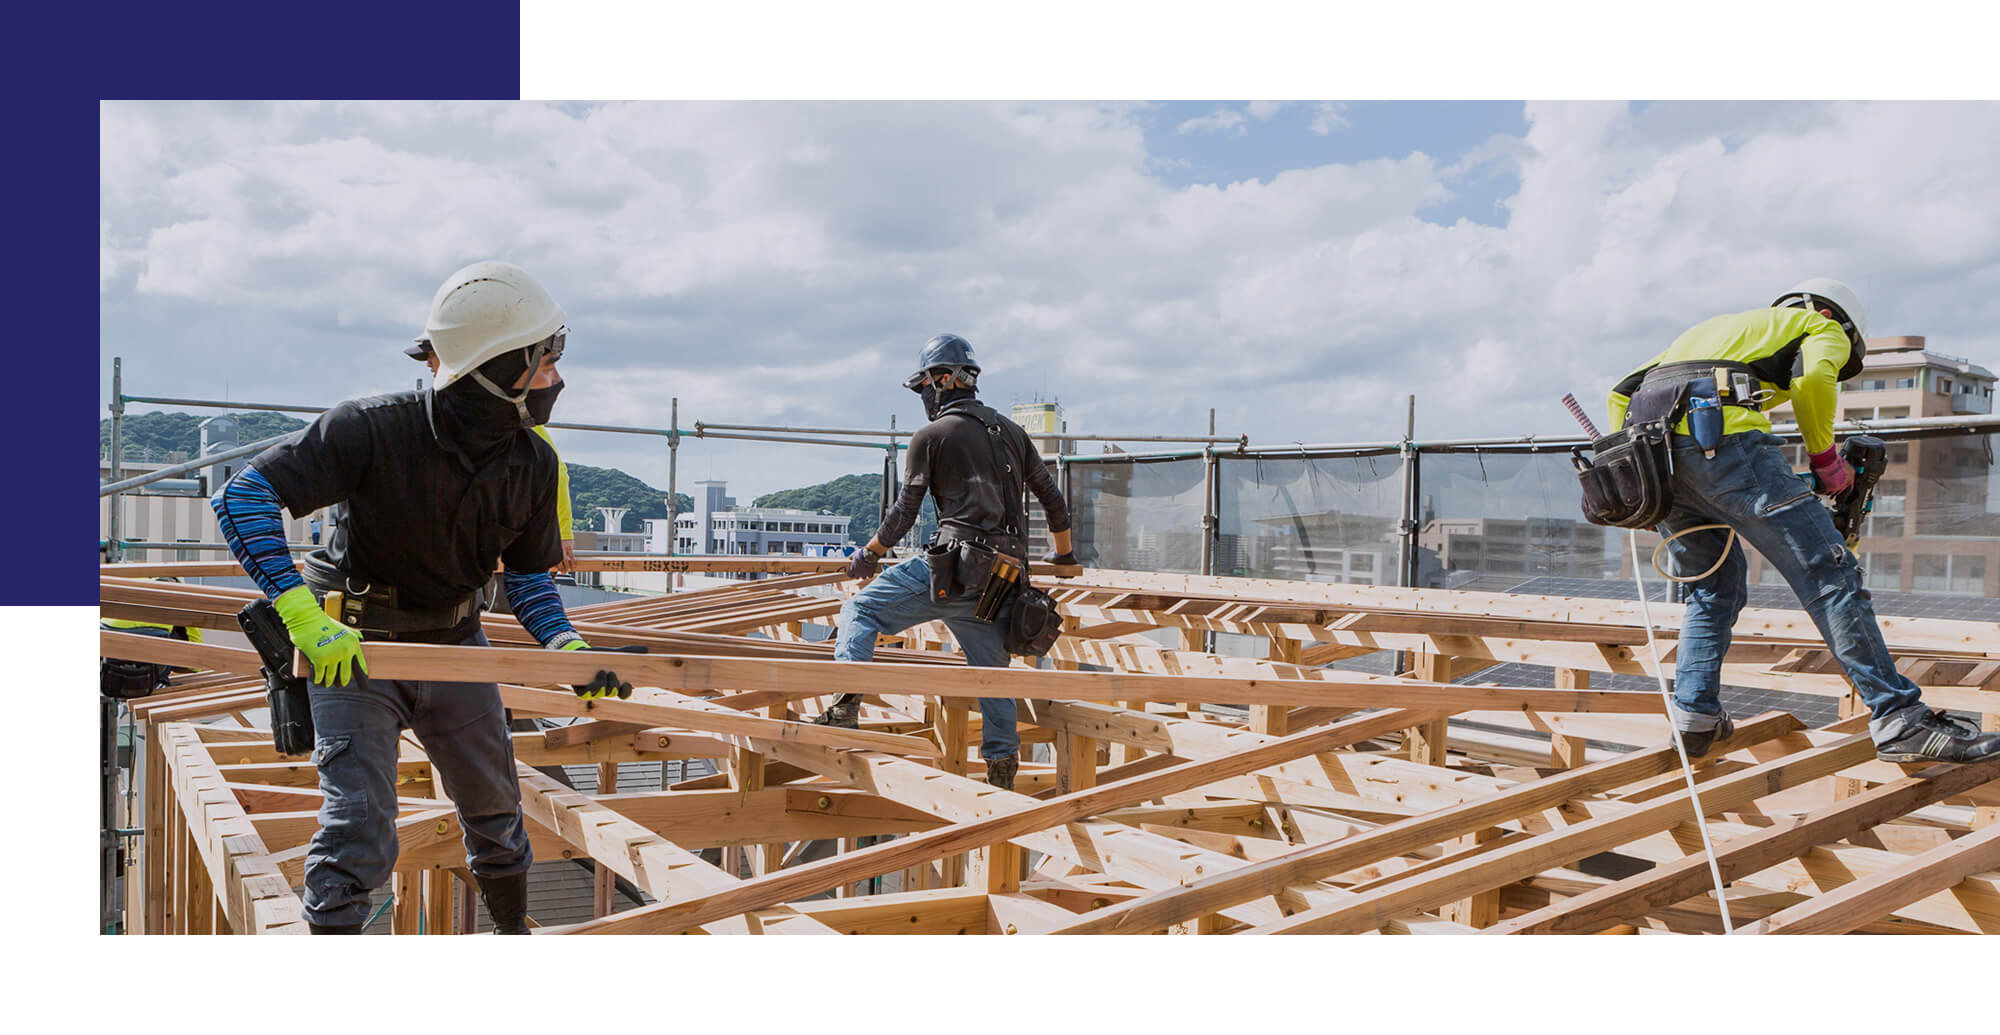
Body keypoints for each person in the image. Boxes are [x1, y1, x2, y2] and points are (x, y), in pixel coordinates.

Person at [211, 261, 641, 934]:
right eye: (545, 362)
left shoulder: (533, 464)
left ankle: (511, 934)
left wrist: (569, 648)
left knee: (498, 811)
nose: (557, 378)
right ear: (499, 371)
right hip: (351, 646)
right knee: (358, 826)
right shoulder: (374, 429)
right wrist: (300, 616)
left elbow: (528, 583)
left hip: (452, 644)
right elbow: (243, 495)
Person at [1607, 277, 1999, 763]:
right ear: (1837, 320)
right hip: (1727, 445)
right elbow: (1811, 381)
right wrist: (1825, 460)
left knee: (1714, 588)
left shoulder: (1713, 331)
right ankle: (1900, 719)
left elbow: (1619, 395)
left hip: (1659, 464)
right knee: (1831, 575)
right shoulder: (1819, 325)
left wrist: (1640, 485)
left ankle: (1694, 718)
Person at [809, 334, 1077, 790]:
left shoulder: (931, 437)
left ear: (945, 379)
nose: (925, 397)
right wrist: (1064, 555)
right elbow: (1053, 501)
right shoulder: (1013, 434)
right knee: (992, 676)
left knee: (861, 610)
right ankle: (1001, 766)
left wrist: (870, 554)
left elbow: (903, 512)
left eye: (925, 387)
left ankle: (843, 705)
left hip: (954, 569)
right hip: (1001, 582)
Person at [408, 337, 574, 575]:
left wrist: (562, 535)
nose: (428, 364)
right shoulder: (444, 415)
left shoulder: (507, 415)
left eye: (432, 355)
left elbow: (554, 471)